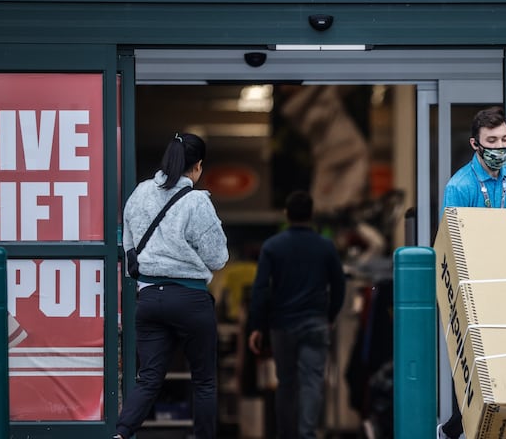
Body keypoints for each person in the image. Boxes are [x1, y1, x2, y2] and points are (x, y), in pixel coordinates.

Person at [115, 133, 229, 439]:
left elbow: (128, 248)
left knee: (148, 379)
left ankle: (121, 434)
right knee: (203, 381)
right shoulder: (195, 202)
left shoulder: (139, 194)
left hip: (149, 298)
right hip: (190, 299)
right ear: (197, 167)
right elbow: (218, 258)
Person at [437, 106, 506, 439]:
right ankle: (454, 431)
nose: (500, 147)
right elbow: (453, 244)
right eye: (492, 141)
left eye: (505, 139)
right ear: (475, 144)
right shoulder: (460, 187)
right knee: (475, 370)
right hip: (475, 289)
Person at [247, 190, 346, 439]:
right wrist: (330, 315)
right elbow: (339, 284)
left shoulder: (272, 246)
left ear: (286, 214)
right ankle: (307, 433)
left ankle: (286, 435)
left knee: (286, 383)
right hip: (316, 322)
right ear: (311, 214)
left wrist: (257, 325)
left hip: (282, 325)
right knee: (312, 382)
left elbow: (260, 288)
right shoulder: (325, 246)